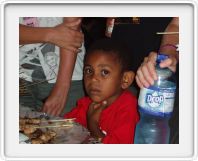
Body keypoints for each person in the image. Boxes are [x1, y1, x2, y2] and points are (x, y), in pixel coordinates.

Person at [64, 38, 139, 144]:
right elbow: (62, 128)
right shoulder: (87, 104)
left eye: (104, 72)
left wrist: (93, 124)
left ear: (125, 79)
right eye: (89, 71)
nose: (93, 78)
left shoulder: (128, 110)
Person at [19, 17, 86, 116]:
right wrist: (52, 34)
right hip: (20, 79)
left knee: (63, 130)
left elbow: (72, 28)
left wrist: (62, 86)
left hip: (65, 76)